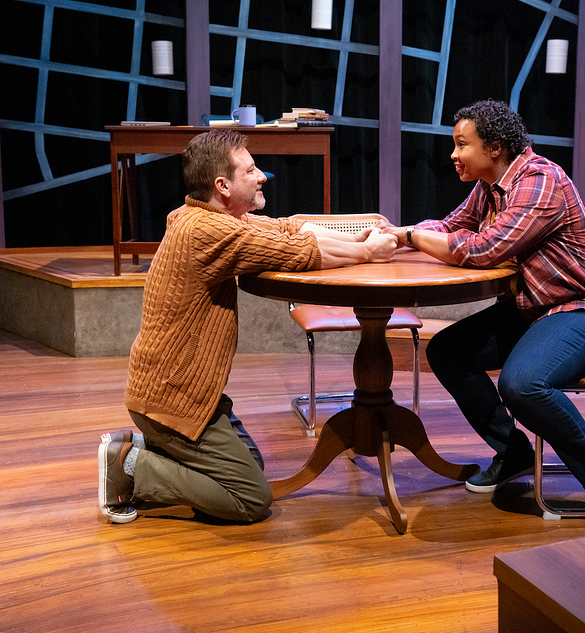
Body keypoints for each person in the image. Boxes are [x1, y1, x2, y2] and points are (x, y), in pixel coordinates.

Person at [98, 128, 398, 525]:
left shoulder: (206, 216)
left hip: (187, 391)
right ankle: (133, 467)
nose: (262, 177)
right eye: (251, 170)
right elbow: (298, 251)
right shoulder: (207, 231)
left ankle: (144, 449)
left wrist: (355, 241)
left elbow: (287, 230)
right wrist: (365, 253)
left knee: (251, 464)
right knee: (251, 498)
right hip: (173, 400)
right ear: (222, 185)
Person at [378, 100, 585, 532]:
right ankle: (514, 451)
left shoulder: (539, 180)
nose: (454, 154)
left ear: (494, 147)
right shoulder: (490, 185)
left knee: (523, 384)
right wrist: (394, 237)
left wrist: (409, 236)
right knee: (448, 352)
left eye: (462, 144)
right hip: (533, 309)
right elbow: (451, 226)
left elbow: (484, 249)